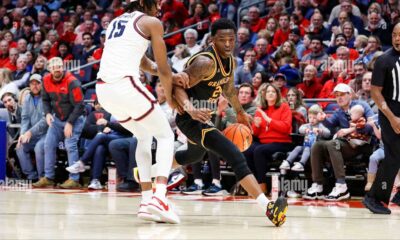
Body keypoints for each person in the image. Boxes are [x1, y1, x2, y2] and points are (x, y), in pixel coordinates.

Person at [172, 19, 288, 227]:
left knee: (193, 154)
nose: (227, 44)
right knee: (234, 155)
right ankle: (268, 208)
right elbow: (177, 84)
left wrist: (240, 112)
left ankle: (151, 171)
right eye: (222, 40)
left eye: (231, 40)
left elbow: (228, 88)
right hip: (190, 118)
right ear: (212, 40)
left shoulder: (230, 61)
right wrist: (190, 107)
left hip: (202, 117)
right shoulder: (205, 62)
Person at [95, 0, 187, 224]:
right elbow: (163, 68)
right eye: (158, 2)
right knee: (166, 135)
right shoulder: (152, 22)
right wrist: (171, 96)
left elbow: (143, 61)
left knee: (143, 136)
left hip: (103, 90)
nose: (160, 7)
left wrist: (168, 75)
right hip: (125, 85)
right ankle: (159, 196)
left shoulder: (117, 21)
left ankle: (146, 201)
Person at [32, 57, 85, 189]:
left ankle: (75, 179)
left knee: (70, 144)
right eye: (54, 67)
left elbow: (80, 105)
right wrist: (48, 113)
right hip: (57, 119)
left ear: (63, 67)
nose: (57, 70)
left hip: (75, 118)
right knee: (48, 144)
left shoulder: (72, 82)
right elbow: (44, 100)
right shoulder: (45, 80)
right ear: (50, 69)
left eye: (60, 67)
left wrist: (70, 123)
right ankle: (49, 177)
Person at [363, 23, 400, 214]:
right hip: (390, 112)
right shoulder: (384, 60)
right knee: (393, 157)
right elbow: (376, 93)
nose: (397, 38)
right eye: (394, 34)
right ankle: (373, 198)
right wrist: (393, 118)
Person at [15, 74, 47, 182]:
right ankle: (31, 177)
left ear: (42, 84)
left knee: (39, 148)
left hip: (47, 134)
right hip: (32, 134)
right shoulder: (27, 97)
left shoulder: (47, 97)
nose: (35, 86)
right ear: (29, 85)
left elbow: (45, 120)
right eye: (32, 83)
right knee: (20, 146)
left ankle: (42, 177)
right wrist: (22, 134)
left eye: (37, 83)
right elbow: (25, 119)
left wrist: (30, 132)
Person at [279, 104, 330, 172]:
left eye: (314, 118)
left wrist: (320, 131)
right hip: (306, 145)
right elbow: (300, 129)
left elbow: (328, 133)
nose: (312, 120)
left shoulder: (320, 126)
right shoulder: (306, 125)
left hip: (316, 148)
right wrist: (306, 130)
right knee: (298, 147)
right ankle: (287, 162)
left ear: (318, 118)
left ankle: (301, 164)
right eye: (310, 117)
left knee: (307, 148)